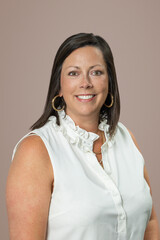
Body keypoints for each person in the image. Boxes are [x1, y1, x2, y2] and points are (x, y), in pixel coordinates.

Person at [6, 33, 159, 240]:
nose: (85, 83)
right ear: (58, 87)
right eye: (73, 73)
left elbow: (149, 221)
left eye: (96, 72)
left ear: (109, 82)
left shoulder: (127, 139)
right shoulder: (35, 151)